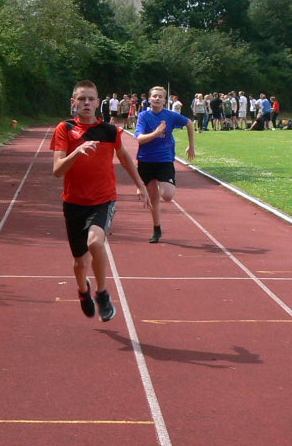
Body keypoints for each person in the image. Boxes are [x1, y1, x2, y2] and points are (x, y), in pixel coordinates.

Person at [52, 80, 151, 320]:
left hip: (103, 199)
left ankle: (102, 292)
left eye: (91, 99)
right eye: (81, 99)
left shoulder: (110, 131)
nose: (86, 103)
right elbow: (57, 170)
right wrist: (77, 151)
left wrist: (140, 185)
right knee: (79, 262)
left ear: (98, 102)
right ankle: (83, 290)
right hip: (74, 202)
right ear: (73, 102)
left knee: (95, 243)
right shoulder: (65, 129)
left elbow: (124, 157)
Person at [132, 85, 196, 243]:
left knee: (167, 195)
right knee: (153, 199)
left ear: (165, 100)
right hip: (146, 160)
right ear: (149, 99)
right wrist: (156, 133)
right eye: (154, 96)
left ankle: (164, 181)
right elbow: (139, 139)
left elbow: (189, 123)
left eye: (160, 96)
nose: (157, 98)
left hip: (164, 159)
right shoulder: (143, 116)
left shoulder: (171, 116)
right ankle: (157, 229)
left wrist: (191, 146)